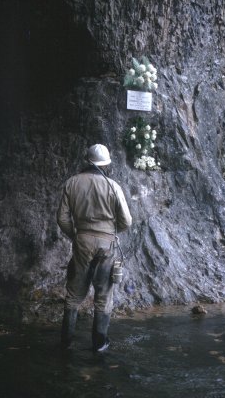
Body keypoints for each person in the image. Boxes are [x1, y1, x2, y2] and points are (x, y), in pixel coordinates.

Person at [57, 144, 132, 352]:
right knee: (104, 293)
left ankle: (66, 342)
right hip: (107, 243)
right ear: (105, 164)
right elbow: (126, 220)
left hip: (81, 240)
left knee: (73, 293)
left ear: (87, 161)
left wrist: (75, 235)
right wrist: (110, 232)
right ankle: (99, 344)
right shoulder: (113, 186)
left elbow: (62, 218)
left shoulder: (71, 183)